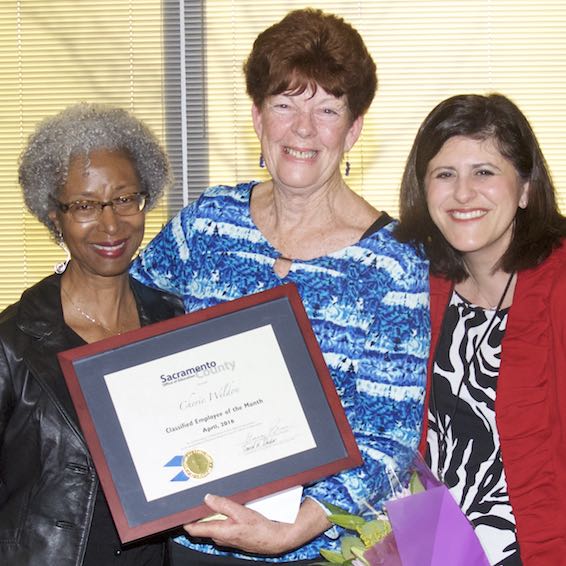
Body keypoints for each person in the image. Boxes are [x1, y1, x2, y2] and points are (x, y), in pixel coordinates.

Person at [130, 8, 429, 565]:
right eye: (285, 104)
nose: (303, 129)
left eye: (327, 109)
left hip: (312, 552)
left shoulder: (391, 265)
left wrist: (298, 527)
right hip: (183, 538)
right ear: (258, 117)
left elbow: (388, 442)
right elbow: (125, 327)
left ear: (354, 128)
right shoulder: (207, 224)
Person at [0, 102, 184, 565]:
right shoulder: (11, 344)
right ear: (53, 215)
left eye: (124, 198)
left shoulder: (173, 321)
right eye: (84, 205)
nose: (110, 223)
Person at [395, 93, 566, 565]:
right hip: (433, 550)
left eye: (484, 172)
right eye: (444, 174)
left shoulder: (560, 285)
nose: (463, 193)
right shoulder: (417, 284)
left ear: (526, 188)